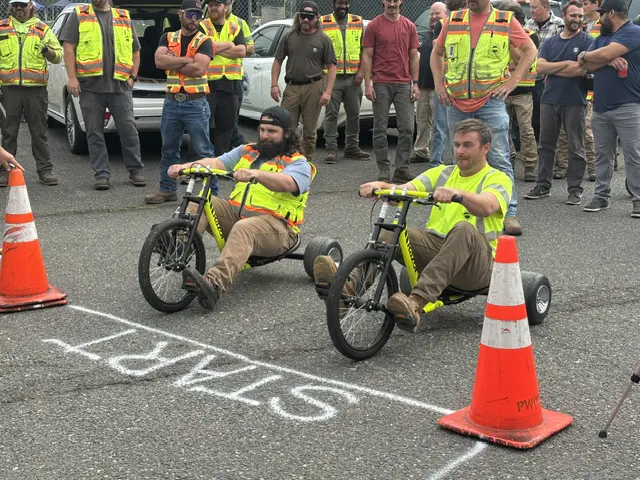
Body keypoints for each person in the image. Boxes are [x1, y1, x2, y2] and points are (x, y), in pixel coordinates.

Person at [313, 119, 511, 332]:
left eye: (468, 145)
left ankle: (416, 302)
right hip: (439, 250)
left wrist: (459, 194)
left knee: (463, 229)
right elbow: (405, 191)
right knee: (389, 234)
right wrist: (382, 187)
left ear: (486, 148)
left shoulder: (498, 178)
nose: (460, 151)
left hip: (477, 266)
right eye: (457, 145)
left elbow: (488, 206)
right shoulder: (443, 173)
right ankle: (347, 290)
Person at [171, 106, 315, 309]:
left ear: (288, 134)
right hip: (237, 216)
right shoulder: (247, 151)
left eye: (271, 132)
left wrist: (256, 175)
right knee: (198, 203)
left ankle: (214, 284)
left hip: (279, 229)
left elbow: (287, 183)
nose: (265, 135)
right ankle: (177, 248)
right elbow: (215, 162)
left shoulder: (298, 163)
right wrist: (186, 167)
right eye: (262, 130)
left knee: (245, 227)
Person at [431, 0, 537, 236]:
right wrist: (439, 85)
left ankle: (508, 212)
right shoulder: (453, 21)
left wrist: (513, 82)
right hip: (456, 102)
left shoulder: (504, 20)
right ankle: (462, 208)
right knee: (460, 157)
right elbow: (436, 53)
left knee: (499, 158)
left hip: (490, 102)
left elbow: (530, 51)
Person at [144, 0, 228, 205]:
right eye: (190, 14)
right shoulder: (168, 37)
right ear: (180, 14)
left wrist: (174, 61)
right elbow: (158, 62)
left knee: (204, 150)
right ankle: (167, 190)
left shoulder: (204, 40)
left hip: (195, 103)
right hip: (172, 102)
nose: (194, 19)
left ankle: (213, 195)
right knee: (169, 149)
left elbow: (198, 69)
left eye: (198, 15)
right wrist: (187, 59)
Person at [60, 0, 146, 191]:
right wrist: (72, 78)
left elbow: (135, 50)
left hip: (120, 87)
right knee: (94, 133)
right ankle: (102, 174)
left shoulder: (123, 17)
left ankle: (135, 170)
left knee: (129, 131)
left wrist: (132, 76)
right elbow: (68, 47)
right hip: (90, 88)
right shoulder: (79, 15)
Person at [524, 0, 592, 205]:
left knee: (576, 148)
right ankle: (543, 185)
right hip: (549, 100)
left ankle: (575, 190)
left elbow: (580, 70)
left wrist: (553, 67)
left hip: (575, 101)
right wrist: (566, 64)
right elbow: (540, 67)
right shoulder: (550, 42)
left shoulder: (588, 41)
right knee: (545, 145)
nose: (577, 20)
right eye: (573, 16)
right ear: (564, 16)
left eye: (580, 16)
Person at [578, 0, 640, 217]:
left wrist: (597, 57)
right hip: (601, 105)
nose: (599, 17)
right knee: (602, 154)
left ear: (611, 13)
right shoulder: (602, 38)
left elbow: (598, 57)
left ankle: (638, 200)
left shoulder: (633, 31)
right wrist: (594, 58)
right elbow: (584, 63)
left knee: (633, 155)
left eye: (602, 13)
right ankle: (601, 196)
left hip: (628, 105)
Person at [0, 0, 61, 188]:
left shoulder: (42, 29)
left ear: (30, 6)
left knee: (39, 132)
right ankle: (5, 171)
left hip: (36, 90)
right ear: (11, 7)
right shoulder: (2, 27)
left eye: (22, 5)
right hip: (8, 89)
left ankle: (45, 170)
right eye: (15, 5)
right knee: (8, 132)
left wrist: (47, 50)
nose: (19, 8)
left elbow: (58, 55)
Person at [362, 0, 420, 183]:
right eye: (389, 0)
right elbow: (367, 56)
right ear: (383, 1)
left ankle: (402, 169)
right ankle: (384, 169)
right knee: (379, 128)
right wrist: (368, 84)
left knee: (407, 128)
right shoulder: (373, 26)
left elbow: (413, 57)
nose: (392, 4)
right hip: (381, 83)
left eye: (395, 0)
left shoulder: (409, 26)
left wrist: (415, 84)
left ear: (400, 2)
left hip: (403, 84)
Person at [271, 1, 337, 162]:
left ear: (316, 18)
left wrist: (327, 92)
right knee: (286, 127)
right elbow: (278, 60)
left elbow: (332, 66)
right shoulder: (289, 36)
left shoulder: (323, 39)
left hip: (313, 87)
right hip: (292, 87)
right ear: (298, 17)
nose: (306, 20)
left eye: (310, 17)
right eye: (303, 16)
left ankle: (306, 162)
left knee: (309, 130)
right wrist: (274, 85)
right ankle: (286, 160)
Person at [554, 0, 600, 182]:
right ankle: (563, 166)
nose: (579, 17)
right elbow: (544, 65)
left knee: (586, 131)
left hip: (587, 88)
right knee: (564, 133)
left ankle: (593, 167)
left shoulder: (598, 28)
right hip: (567, 90)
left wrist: (557, 67)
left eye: (587, 4)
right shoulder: (585, 27)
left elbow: (586, 65)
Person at [320, 0, 370, 164]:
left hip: (353, 78)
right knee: (331, 114)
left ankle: (351, 147)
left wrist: (361, 72)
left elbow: (364, 49)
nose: (343, 6)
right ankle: (331, 149)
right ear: (333, 4)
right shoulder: (323, 22)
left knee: (354, 115)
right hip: (332, 79)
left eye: (346, 3)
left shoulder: (357, 21)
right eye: (340, 3)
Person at [499, 1, 540, 183]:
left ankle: (530, 165)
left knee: (526, 130)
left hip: (523, 90)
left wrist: (510, 42)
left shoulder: (531, 35)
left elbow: (521, 60)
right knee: (504, 130)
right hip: (503, 90)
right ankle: (509, 160)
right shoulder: (498, 35)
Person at [199, 0, 246, 156]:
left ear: (225, 8)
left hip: (230, 86)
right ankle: (196, 163)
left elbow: (241, 51)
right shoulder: (202, 26)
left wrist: (214, 48)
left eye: (217, 5)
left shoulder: (235, 27)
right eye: (210, 5)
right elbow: (201, 47)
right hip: (208, 85)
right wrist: (228, 45)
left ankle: (219, 163)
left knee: (226, 128)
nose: (213, 8)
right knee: (201, 127)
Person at [410, 1, 447, 167]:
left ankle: (437, 157)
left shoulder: (445, 35)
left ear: (445, 15)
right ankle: (421, 151)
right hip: (423, 86)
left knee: (439, 125)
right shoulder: (428, 35)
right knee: (422, 122)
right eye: (432, 14)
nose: (433, 17)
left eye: (437, 14)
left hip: (438, 88)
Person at [525, 0, 565, 143]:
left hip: (549, 78)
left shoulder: (560, 25)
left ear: (546, 7)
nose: (531, 11)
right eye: (530, 7)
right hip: (530, 79)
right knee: (532, 117)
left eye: (534, 7)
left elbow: (563, 52)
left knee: (549, 117)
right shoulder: (528, 24)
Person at [228, 1, 254, 149]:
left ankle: (233, 144)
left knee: (233, 115)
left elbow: (249, 48)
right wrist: (233, 47)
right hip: (211, 79)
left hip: (234, 78)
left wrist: (221, 48)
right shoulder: (206, 24)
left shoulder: (239, 23)